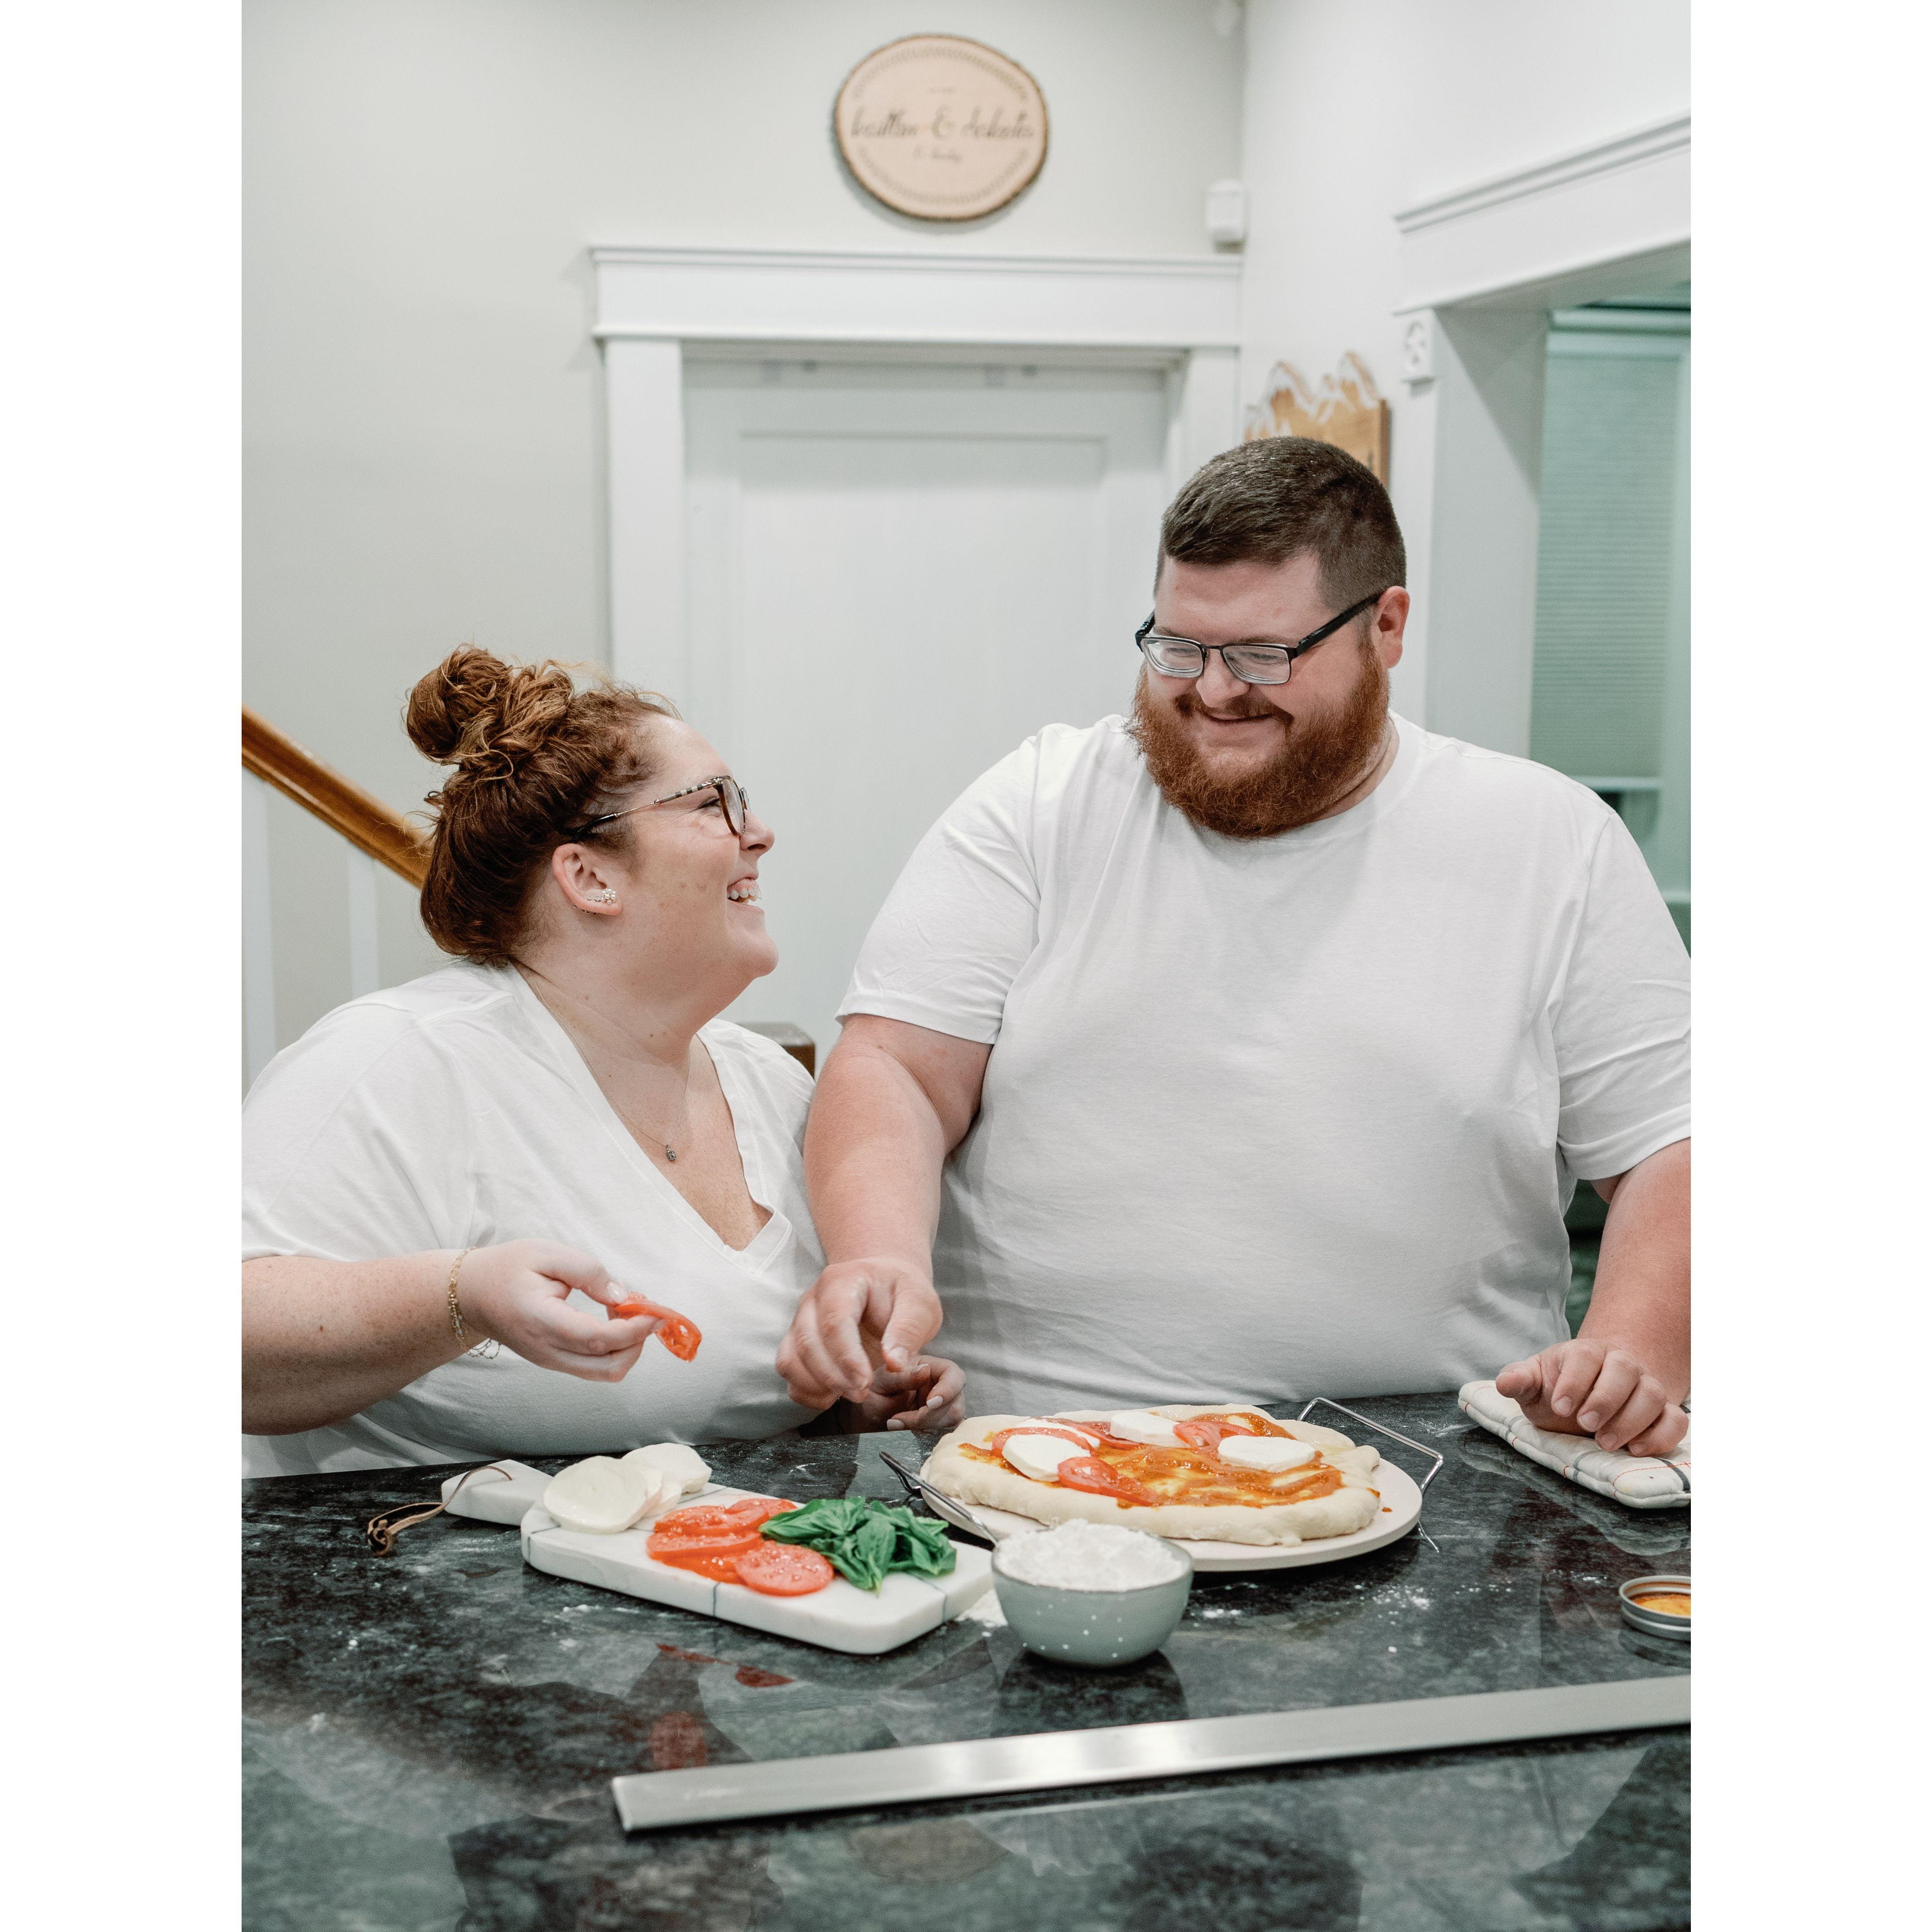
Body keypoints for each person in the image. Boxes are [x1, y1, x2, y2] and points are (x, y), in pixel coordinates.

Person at [777, 437, 1689, 1458]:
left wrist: (1627, 1355)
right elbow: (897, 1066)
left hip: (1438, 1452)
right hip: (1039, 1451)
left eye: (1261, 656)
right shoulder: (1039, 803)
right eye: (1176, 647)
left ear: (1385, 626)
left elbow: (1672, 1143)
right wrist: (880, 1257)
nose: (1213, 691)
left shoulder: (1548, 840)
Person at [243, 648, 961, 1476]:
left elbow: (738, 1396)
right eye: (713, 803)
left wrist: (857, 1398)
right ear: (588, 876)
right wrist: (462, 1297)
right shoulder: (394, 1059)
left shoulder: (772, 1083)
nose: (760, 833)